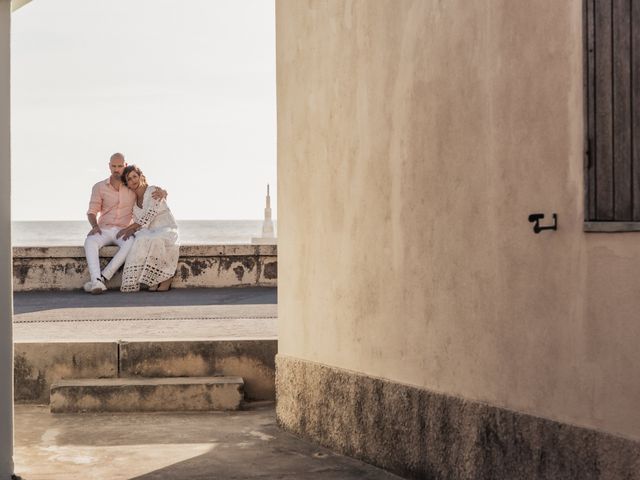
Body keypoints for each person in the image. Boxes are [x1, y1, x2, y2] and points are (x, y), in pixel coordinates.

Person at [84, 153, 165, 294]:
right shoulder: (99, 187)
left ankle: (102, 278)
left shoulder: (131, 186)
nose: (117, 169)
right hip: (103, 228)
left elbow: (147, 191)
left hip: (123, 230)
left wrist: (163, 192)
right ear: (109, 166)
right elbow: (92, 211)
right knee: (90, 241)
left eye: (120, 166)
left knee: (130, 243)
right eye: (114, 166)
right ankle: (96, 280)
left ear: (125, 166)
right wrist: (95, 226)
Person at [116, 165, 179, 292]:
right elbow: (141, 223)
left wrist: (129, 228)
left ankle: (166, 278)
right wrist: (130, 231)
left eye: (135, 176)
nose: (133, 180)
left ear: (140, 176)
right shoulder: (134, 204)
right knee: (141, 238)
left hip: (166, 227)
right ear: (127, 184)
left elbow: (148, 215)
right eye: (129, 179)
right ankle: (153, 278)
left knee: (156, 238)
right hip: (150, 230)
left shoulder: (152, 190)